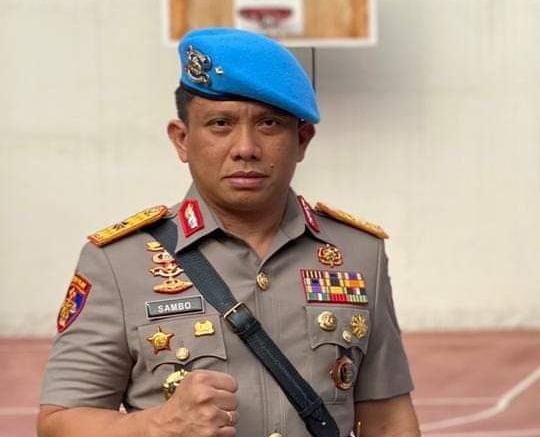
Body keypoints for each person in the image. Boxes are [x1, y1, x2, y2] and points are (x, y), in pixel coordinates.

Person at [37, 28, 420, 437]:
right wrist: (156, 426)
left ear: (302, 140)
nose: (245, 148)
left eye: (269, 123)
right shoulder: (118, 262)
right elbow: (60, 422)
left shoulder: (359, 253)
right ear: (182, 140)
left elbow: (387, 420)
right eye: (220, 124)